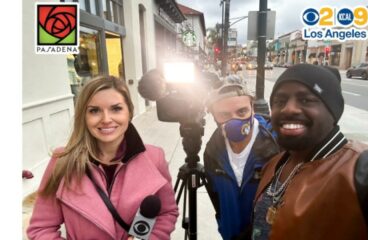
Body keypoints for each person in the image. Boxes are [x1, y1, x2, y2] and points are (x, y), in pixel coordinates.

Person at [27, 76, 178, 240]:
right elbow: (41, 229)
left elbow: (166, 213)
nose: (106, 119)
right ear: (83, 116)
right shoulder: (62, 162)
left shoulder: (154, 158)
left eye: (116, 109)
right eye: (94, 111)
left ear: (129, 112)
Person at [252, 64, 368, 240]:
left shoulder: (367, 170)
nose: (289, 109)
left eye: (306, 100)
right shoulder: (275, 164)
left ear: (332, 111)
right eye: (280, 101)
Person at [204, 83, 280, 240]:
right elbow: (215, 196)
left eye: (242, 111)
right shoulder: (212, 151)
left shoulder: (276, 144)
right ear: (214, 117)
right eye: (224, 114)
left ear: (252, 108)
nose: (235, 120)